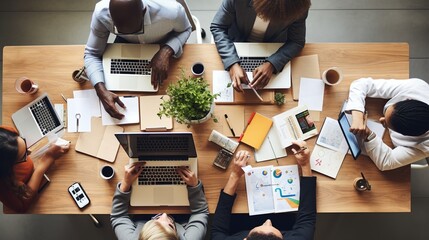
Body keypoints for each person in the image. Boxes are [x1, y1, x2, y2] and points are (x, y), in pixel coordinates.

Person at [84, 0, 192, 119]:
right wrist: (101, 91)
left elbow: (186, 30)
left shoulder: (172, 11)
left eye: (135, 30)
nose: (130, 33)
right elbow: (92, 54)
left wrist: (167, 51)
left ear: (143, 11)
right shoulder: (101, 13)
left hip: (163, 43)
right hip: (125, 44)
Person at [211, 140, 316, 240]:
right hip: (284, 216)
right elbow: (307, 218)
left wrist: (235, 175)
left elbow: (218, 230)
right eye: (272, 227)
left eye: (263, 225)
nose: (268, 221)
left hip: (239, 221)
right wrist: (305, 164)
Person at [210, 0, 311, 92]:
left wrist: (272, 63)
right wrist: (232, 63)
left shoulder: (298, 5)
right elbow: (217, 27)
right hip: (236, 42)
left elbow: (296, 41)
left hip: (272, 46)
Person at [346, 77, 429, 171]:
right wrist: (357, 117)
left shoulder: (425, 145)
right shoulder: (417, 88)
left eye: (386, 123)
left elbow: (387, 162)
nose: (380, 119)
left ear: (404, 134)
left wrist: (369, 136)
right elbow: (361, 84)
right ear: (407, 100)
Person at [110, 162, 209, 240]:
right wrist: (194, 186)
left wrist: (126, 183)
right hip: (181, 216)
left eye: (156, 221)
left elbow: (118, 216)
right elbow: (200, 212)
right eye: (170, 226)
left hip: (143, 215)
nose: (164, 214)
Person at [0, 126, 70, 213]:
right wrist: (46, 161)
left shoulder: (6, 135)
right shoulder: (3, 185)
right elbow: (23, 205)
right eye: (23, 156)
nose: (29, 152)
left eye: (22, 140)